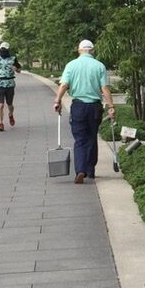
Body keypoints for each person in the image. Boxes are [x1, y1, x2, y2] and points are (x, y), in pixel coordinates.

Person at [53, 39, 115, 183]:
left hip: (78, 107)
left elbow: (64, 85)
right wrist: (111, 106)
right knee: (92, 137)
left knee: (80, 139)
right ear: (92, 51)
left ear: (79, 50)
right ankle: (90, 170)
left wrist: (57, 101)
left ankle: (80, 170)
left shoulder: (71, 65)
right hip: (94, 107)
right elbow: (104, 88)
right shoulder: (99, 66)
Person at [0, 41, 21, 132]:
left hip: (10, 84)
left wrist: (16, 69)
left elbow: (19, 70)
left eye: (5, 49)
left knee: (10, 105)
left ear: (8, 50)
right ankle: (0, 124)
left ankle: (10, 114)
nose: (3, 51)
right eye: (2, 49)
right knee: (0, 104)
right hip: (0, 84)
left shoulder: (13, 59)